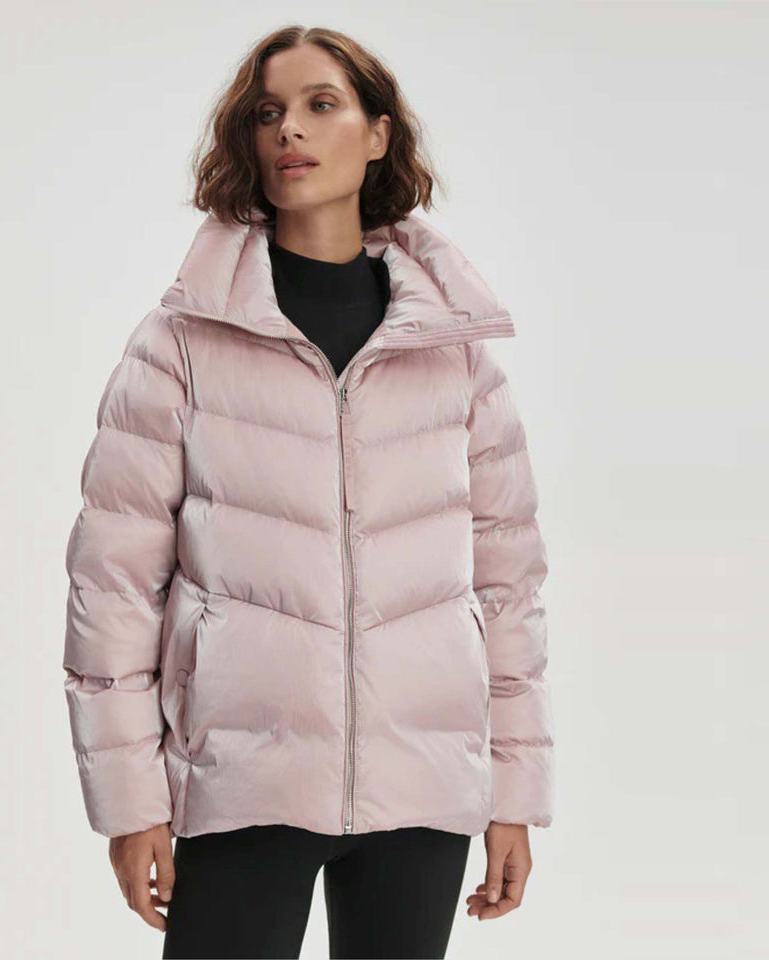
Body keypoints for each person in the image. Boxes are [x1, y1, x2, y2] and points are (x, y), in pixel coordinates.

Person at [62, 24, 554, 960]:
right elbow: (112, 590)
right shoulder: (181, 344)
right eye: (267, 112)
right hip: (242, 779)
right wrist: (130, 805)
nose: (289, 129)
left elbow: (509, 586)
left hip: (422, 785)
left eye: (321, 105)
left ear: (378, 134)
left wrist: (513, 795)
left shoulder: (453, 353)